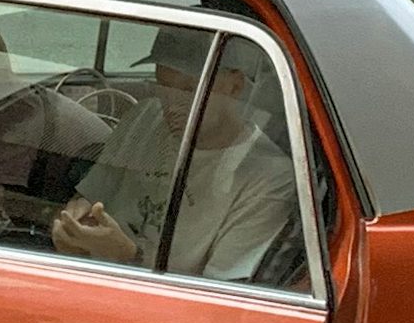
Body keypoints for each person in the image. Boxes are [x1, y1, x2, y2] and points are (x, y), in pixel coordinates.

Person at [53, 33, 304, 286]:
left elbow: (219, 295)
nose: (171, 104)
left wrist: (128, 257)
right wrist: (74, 221)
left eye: (189, 89)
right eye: (163, 86)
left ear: (234, 87)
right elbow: (91, 196)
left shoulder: (270, 176)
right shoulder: (144, 118)